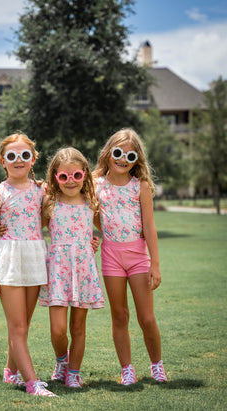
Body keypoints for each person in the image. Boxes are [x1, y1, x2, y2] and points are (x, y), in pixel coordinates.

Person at [0, 132, 57, 397]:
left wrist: (87, 239)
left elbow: (53, 221)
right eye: (11, 156)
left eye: (24, 155)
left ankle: (10, 372)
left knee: (23, 324)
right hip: (10, 261)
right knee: (18, 327)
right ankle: (32, 382)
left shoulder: (42, 191)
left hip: (36, 259)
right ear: (3, 161)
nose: (18, 160)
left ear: (33, 159)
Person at [93, 128, 167, 385]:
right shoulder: (95, 184)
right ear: (108, 154)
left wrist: (155, 265)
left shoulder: (141, 186)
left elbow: (149, 226)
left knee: (146, 317)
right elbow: (64, 186)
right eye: (118, 153)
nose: (123, 159)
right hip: (111, 256)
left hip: (138, 256)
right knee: (120, 315)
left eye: (130, 155)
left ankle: (157, 365)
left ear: (137, 160)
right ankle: (127, 369)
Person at [38, 147, 105, 388]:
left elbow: (105, 226)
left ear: (85, 174)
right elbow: (33, 228)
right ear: (55, 177)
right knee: (58, 329)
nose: (70, 181)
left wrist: (92, 241)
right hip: (57, 270)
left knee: (78, 326)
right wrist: (1, 230)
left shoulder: (91, 202)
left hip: (83, 269)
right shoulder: (50, 202)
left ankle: (74, 373)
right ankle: (61, 361)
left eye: (76, 175)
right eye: (63, 176)